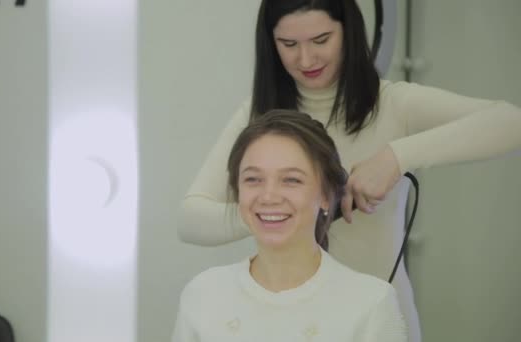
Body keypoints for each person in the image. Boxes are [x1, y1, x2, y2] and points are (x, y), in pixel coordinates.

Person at [178, 1, 521, 341]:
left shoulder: (393, 104)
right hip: (284, 314)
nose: (306, 59)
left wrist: (395, 158)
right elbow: (190, 219)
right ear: (270, 43)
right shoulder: (257, 116)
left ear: (349, 32)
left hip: (378, 315)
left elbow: (511, 122)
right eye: (289, 45)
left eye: (321, 40)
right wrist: (276, 210)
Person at [172, 110, 408, 341]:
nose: (269, 196)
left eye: (291, 180)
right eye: (253, 179)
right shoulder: (203, 294)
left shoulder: (371, 304)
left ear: (326, 195)